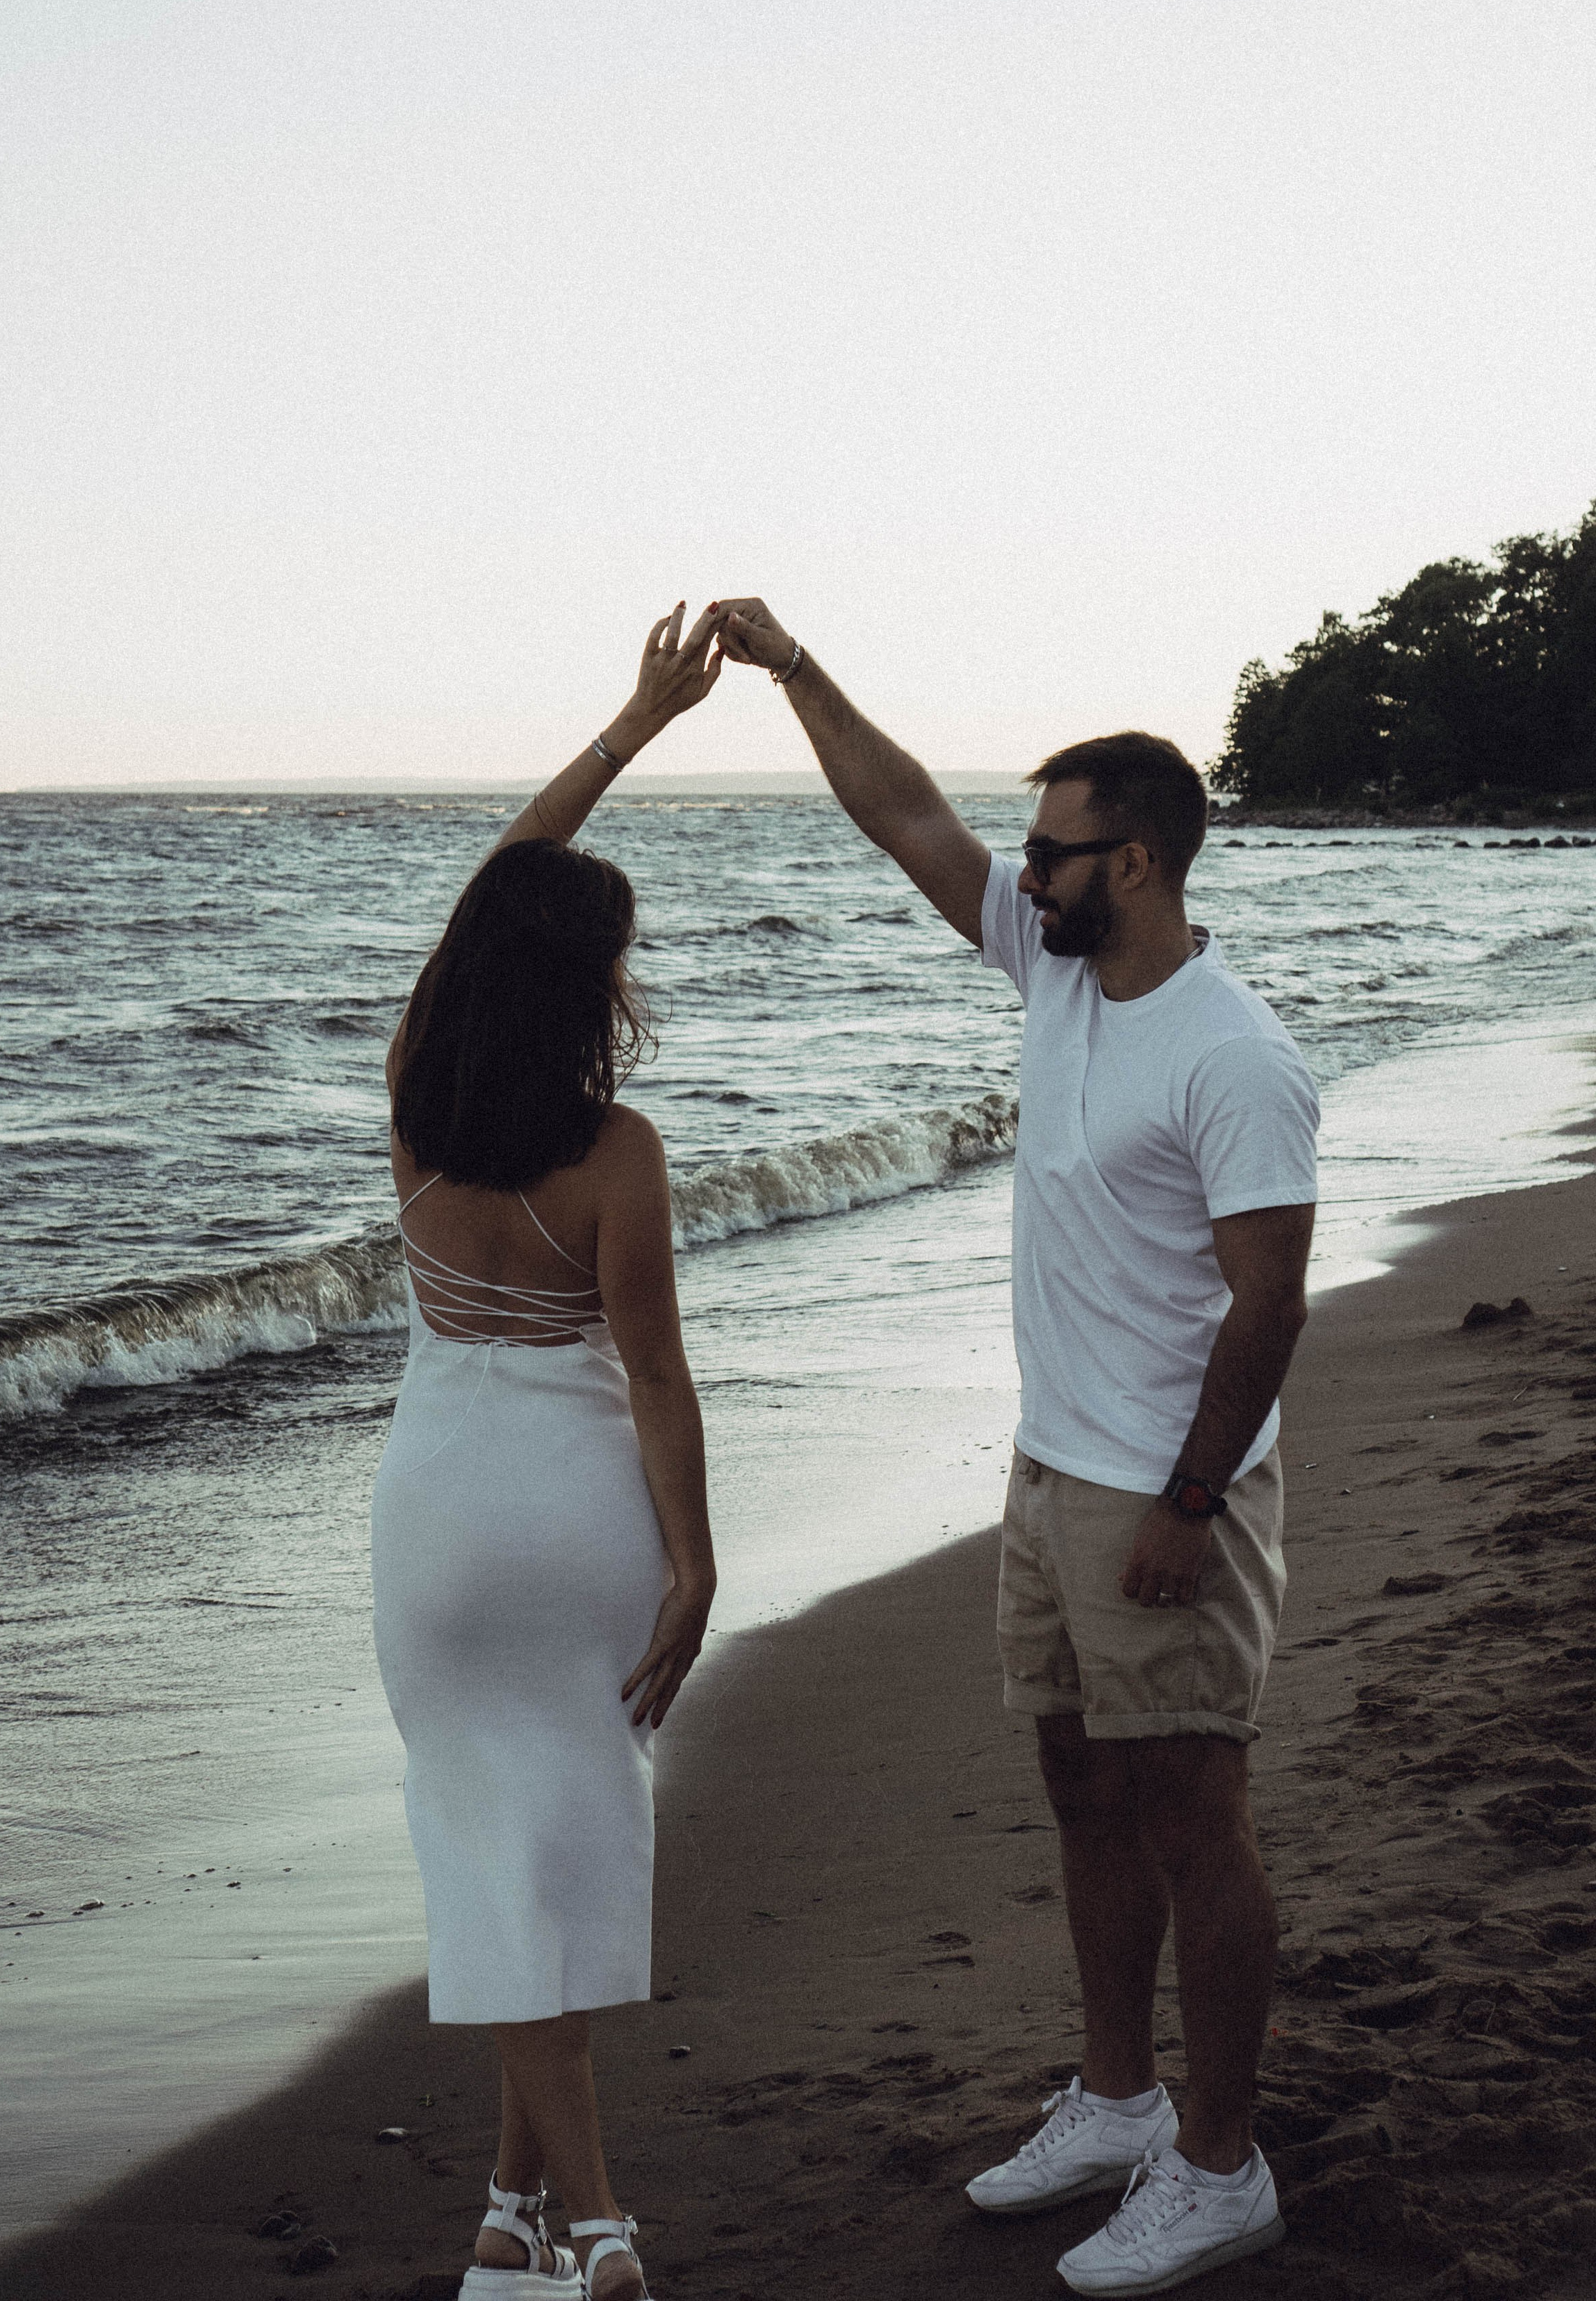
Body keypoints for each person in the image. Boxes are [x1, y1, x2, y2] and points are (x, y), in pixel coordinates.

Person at [714, 600, 1317, 2296]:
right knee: (1077, 1785)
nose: (1019, 875)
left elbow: (1268, 1307)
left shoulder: (1235, 1055)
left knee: (1194, 1807)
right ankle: (1118, 2102)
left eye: (1051, 854)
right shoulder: (1056, 974)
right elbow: (903, 818)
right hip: (1053, 1467)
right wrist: (797, 673)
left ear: (1129, 862)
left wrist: (1193, 1503)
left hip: (1167, 1483)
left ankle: (1220, 2163)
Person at [372, 605, 723, 2301]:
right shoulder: (618, 1151)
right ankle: (585, 2222)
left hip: (441, 1522)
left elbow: (487, 899)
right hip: (582, 1515)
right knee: (564, 1851)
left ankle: (531, 2225)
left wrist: (625, 728)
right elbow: (653, 1375)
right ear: (590, 980)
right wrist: (698, 1561)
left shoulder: (409, 1094)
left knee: (490, 1853)